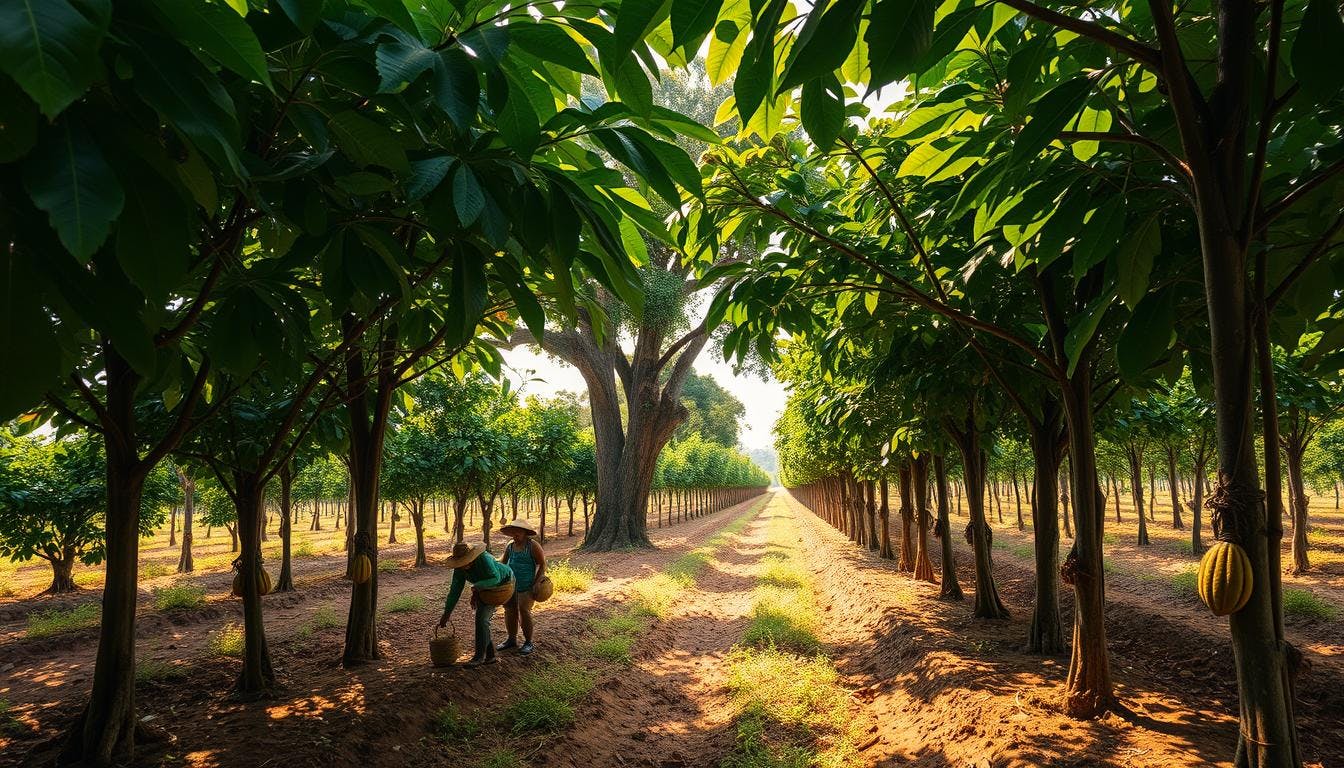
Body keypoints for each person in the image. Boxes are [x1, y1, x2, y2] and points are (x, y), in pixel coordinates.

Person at [439, 541, 513, 667]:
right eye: (460, 562)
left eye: (465, 561)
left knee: (482, 620)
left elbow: (495, 578)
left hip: (502, 584)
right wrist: (447, 613)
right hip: (483, 589)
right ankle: (490, 655)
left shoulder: (484, 559)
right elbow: (455, 591)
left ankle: (479, 657)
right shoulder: (459, 568)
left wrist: (476, 587)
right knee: (481, 620)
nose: (463, 565)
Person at [498, 519, 546, 655]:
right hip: (511, 585)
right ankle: (511, 639)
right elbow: (503, 562)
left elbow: (542, 564)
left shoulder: (532, 546)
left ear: (525, 533)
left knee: (524, 611)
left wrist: (537, 582)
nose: (515, 535)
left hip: (527, 586)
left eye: (518, 532)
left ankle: (528, 642)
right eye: (513, 532)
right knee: (509, 610)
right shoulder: (510, 546)